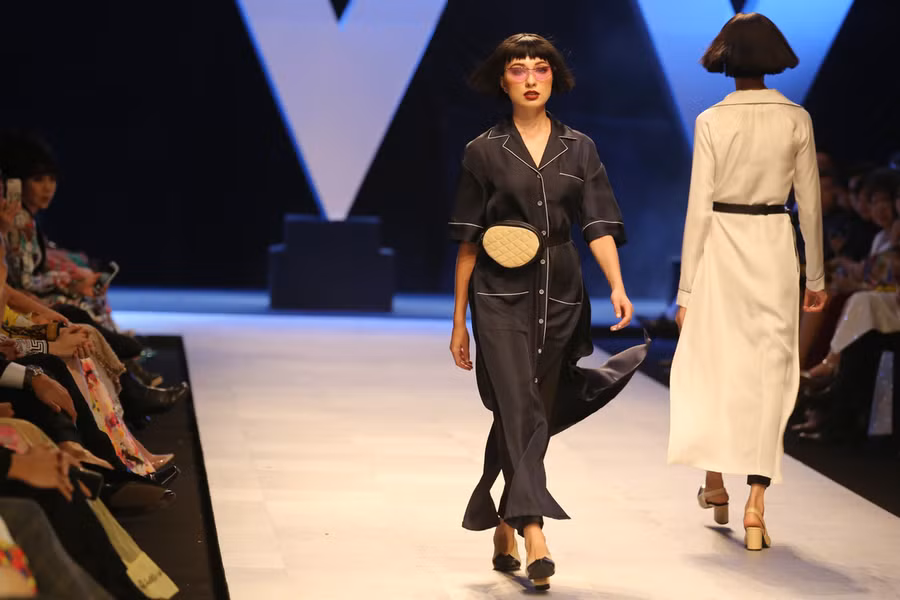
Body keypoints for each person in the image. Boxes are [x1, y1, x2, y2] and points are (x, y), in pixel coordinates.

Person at [449, 33, 647, 590]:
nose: (531, 78)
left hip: (560, 290)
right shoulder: (483, 150)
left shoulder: (579, 149)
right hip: (499, 293)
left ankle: (503, 522)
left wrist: (618, 286)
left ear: (554, 78)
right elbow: (468, 241)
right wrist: (459, 320)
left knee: (530, 408)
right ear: (503, 80)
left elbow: (598, 224)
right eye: (519, 69)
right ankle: (534, 531)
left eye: (541, 68)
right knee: (518, 404)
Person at [667, 13, 827, 551]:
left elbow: (698, 209)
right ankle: (755, 502)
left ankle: (715, 479)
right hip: (775, 244)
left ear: (724, 58)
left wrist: (686, 290)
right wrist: (816, 275)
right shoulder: (796, 118)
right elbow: (810, 205)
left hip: (723, 244)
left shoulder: (711, 120)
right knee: (770, 370)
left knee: (715, 361)